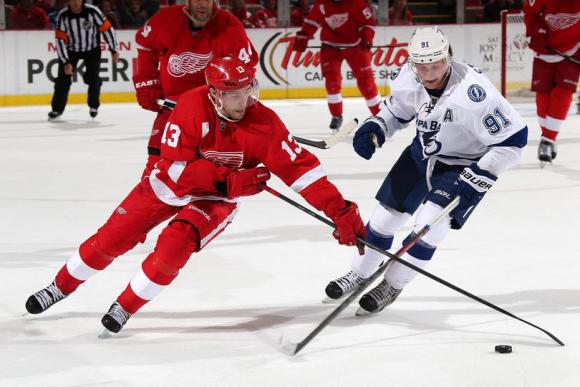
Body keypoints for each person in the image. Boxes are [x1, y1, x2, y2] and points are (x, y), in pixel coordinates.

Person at [25, 57, 367, 335]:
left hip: (213, 203)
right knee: (110, 241)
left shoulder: (264, 122)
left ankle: (125, 305)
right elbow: (174, 170)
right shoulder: (190, 107)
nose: (245, 101)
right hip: (166, 188)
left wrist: (340, 211)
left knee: (175, 246)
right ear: (215, 95)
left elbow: (303, 173)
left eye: (249, 91)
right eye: (235, 96)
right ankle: (60, 286)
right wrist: (229, 182)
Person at [323, 27, 528, 315]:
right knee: (382, 220)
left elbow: (514, 141)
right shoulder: (408, 78)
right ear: (412, 63)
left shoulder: (474, 92)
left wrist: (479, 176)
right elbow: (396, 111)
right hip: (421, 155)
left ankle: (393, 284)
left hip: (461, 165)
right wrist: (377, 127)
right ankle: (360, 272)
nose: (429, 73)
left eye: (436, 65)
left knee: (429, 227)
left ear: (448, 57)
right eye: (422, 65)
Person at [133, 0, 258, 178]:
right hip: (173, 108)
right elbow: (145, 43)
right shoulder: (166, 20)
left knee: (209, 176)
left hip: (213, 113)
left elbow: (245, 71)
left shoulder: (229, 27)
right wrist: (147, 81)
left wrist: (231, 106)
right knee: (157, 167)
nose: (203, 4)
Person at [293, 0, 382, 130]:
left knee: (367, 84)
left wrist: (367, 36)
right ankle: (336, 115)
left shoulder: (356, 3)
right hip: (330, 46)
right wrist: (304, 35)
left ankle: (381, 116)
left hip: (354, 46)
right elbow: (312, 21)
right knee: (332, 83)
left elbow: (368, 23)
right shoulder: (322, 3)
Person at [523, 0, 580, 166]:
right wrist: (534, 32)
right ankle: (548, 137)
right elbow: (531, 13)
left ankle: (548, 140)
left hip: (574, 48)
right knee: (543, 98)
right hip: (545, 49)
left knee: (562, 93)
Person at [48, 0, 119, 120]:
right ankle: (57, 109)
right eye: (73, 0)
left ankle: (93, 106)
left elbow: (107, 29)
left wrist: (114, 49)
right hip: (72, 51)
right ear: (68, 2)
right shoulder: (63, 15)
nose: (76, 3)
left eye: (78, 0)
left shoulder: (93, 12)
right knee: (62, 80)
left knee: (93, 79)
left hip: (92, 50)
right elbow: (60, 40)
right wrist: (65, 62)